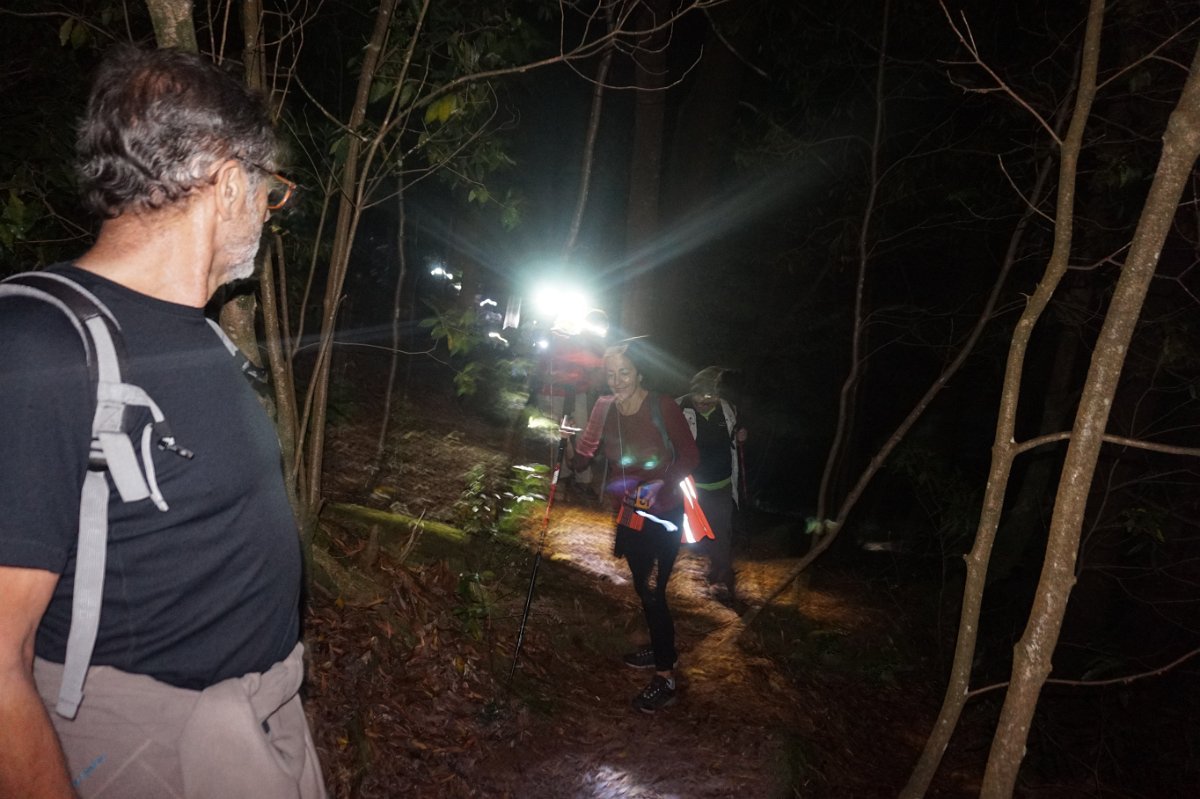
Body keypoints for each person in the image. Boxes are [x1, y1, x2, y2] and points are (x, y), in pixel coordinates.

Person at [0, 46, 325, 799]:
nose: (267, 212)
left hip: (259, 728)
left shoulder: (203, 336)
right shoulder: (40, 343)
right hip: (144, 751)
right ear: (227, 183)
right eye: (269, 190)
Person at [566, 339, 699, 713]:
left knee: (654, 590)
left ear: (639, 373)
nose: (617, 380)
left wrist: (661, 484)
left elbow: (691, 456)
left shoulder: (662, 405)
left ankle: (665, 676)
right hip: (628, 514)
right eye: (610, 373)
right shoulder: (604, 407)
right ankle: (660, 646)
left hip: (663, 513)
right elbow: (583, 457)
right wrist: (566, 444)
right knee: (643, 585)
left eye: (624, 372)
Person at [677, 367, 747, 605]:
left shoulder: (728, 409)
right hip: (690, 486)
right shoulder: (678, 408)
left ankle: (721, 577)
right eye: (700, 397)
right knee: (687, 531)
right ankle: (668, 570)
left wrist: (741, 435)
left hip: (721, 484)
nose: (704, 403)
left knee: (721, 532)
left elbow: (735, 435)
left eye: (711, 397)